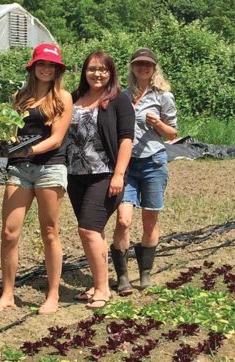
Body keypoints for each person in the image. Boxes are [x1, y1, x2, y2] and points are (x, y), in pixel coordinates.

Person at [0, 43, 72, 314]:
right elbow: (8, 132)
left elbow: (57, 139)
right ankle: (7, 293)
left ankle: (52, 295)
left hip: (49, 167)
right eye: (42, 64)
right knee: (8, 232)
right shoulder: (19, 97)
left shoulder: (63, 97)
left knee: (49, 231)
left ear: (58, 69)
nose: (46, 69)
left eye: (51, 65)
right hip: (18, 168)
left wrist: (29, 150)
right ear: (33, 67)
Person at [66, 51, 135, 308]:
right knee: (94, 233)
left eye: (103, 70)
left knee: (88, 229)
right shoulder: (74, 98)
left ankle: (103, 290)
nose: (97, 74)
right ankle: (98, 283)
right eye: (92, 69)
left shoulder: (119, 101)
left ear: (111, 73)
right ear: (85, 71)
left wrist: (119, 174)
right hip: (76, 176)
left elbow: (126, 140)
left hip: (104, 175)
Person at [113, 47, 178, 292]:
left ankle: (145, 273)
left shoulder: (163, 96)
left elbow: (172, 133)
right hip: (127, 166)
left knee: (150, 219)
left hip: (153, 162)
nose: (143, 68)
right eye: (139, 64)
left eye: (147, 65)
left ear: (154, 68)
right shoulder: (122, 96)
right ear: (132, 67)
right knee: (123, 219)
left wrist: (158, 123)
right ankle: (122, 277)